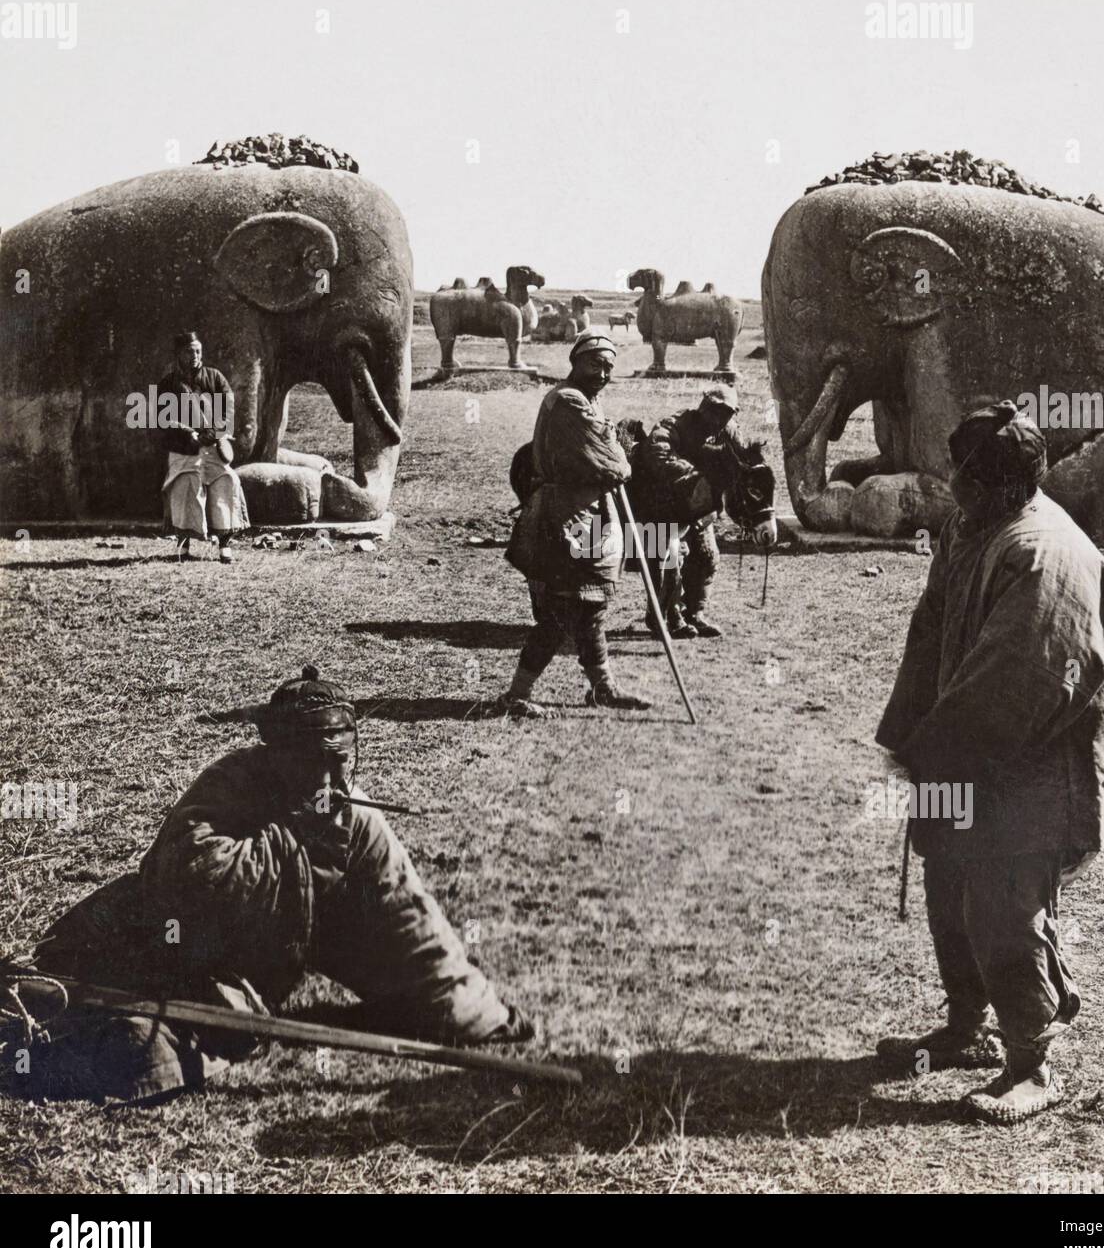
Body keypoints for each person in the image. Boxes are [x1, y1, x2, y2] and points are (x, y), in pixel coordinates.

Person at [3, 666, 532, 1105]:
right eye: (311, 762)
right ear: (275, 755)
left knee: (168, 1037)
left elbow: (409, 920)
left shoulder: (354, 821)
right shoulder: (231, 783)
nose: (328, 779)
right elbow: (184, 876)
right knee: (120, 1035)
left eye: (340, 761)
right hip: (178, 940)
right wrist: (291, 839)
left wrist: (483, 1017)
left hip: (275, 953)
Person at [874, 401, 1104, 1124]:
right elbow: (930, 631)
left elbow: (1023, 676)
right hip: (972, 742)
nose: (952, 488)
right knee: (946, 875)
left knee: (1002, 898)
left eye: (965, 478)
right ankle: (964, 1025)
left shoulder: (1045, 552)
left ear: (1004, 484)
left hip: (1048, 751)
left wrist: (941, 752)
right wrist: (912, 731)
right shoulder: (969, 529)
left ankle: (1030, 1062)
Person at [499, 331, 650, 717]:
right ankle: (516, 695)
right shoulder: (567, 402)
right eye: (594, 364)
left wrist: (613, 451)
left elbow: (612, 458)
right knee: (560, 609)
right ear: (575, 363)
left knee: (592, 606)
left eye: (608, 367)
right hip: (564, 516)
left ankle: (603, 689)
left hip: (592, 513)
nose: (602, 373)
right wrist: (617, 454)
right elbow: (616, 464)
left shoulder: (589, 402)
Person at [632, 383, 749, 638]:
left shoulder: (728, 432)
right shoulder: (675, 425)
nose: (718, 418)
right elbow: (657, 453)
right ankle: (666, 616)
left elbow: (745, 462)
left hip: (699, 510)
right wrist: (694, 476)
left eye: (726, 413)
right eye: (715, 410)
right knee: (669, 562)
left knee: (707, 558)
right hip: (663, 507)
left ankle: (694, 612)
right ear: (703, 406)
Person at [158, 331, 249, 562]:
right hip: (183, 449)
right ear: (179, 353)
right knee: (184, 492)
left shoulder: (215, 377)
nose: (194, 355)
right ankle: (184, 546)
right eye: (189, 351)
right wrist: (187, 432)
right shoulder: (168, 384)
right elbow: (163, 417)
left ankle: (225, 546)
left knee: (225, 485)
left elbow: (228, 410)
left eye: (198, 350)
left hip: (214, 447)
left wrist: (210, 434)